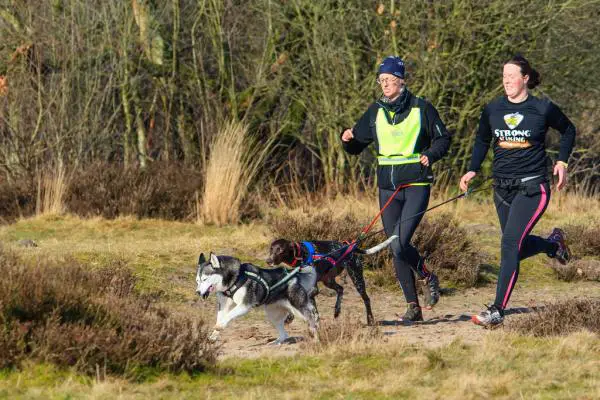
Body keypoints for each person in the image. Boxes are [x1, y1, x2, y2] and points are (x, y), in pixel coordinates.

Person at [460, 54, 575, 327]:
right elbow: (482, 139)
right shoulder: (492, 109)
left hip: (533, 188)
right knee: (516, 247)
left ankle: (497, 310)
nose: (506, 81)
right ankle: (552, 244)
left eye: (511, 76)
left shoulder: (543, 108)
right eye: (503, 77)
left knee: (510, 243)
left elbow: (568, 130)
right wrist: (473, 169)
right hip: (502, 189)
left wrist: (561, 162)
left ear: (525, 79)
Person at [341, 56, 451, 321]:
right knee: (395, 246)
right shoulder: (375, 111)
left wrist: (431, 154)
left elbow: (443, 138)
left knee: (400, 242)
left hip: (416, 184)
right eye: (382, 80)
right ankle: (414, 306)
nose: (386, 84)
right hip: (387, 187)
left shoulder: (422, 108)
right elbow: (357, 146)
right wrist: (347, 140)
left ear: (402, 81)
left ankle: (426, 276)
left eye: (390, 80)